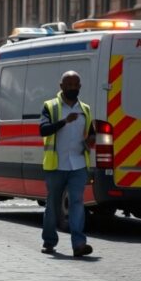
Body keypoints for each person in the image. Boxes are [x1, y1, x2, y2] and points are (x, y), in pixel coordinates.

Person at [39, 71, 95, 258]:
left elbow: (92, 132)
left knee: (77, 203)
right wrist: (64, 121)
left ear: (80, 87)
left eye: (75, 85)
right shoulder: (50, 106)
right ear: (61, 86)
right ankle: (49, 241)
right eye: (68, 85)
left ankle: (79, 244)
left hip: (78, 164)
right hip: (56, 165)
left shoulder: (85, 109)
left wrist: (90, 141)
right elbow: (43, 130)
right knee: (53, 205)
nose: (72, 88)